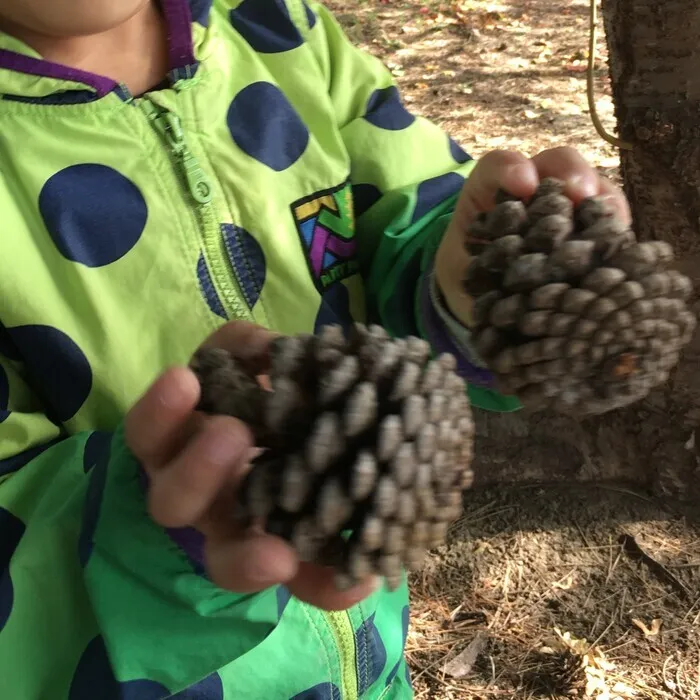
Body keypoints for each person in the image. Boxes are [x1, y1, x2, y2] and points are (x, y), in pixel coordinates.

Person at [0, 0, 630, 697]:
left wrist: (478, 278)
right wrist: (158, 524)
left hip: (369, 663)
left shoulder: (282, 29)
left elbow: (398, 217)